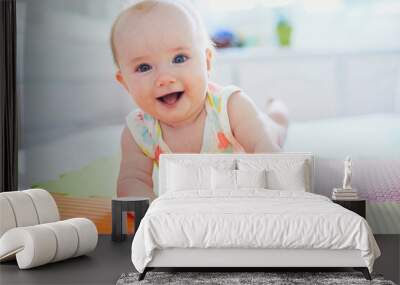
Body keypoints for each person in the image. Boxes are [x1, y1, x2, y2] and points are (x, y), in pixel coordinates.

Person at [110, 0, 289, 200]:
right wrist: (156, 213)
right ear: (124, 82)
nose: (164, 78)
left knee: (275, 129)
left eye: (179, 59)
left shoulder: (231, 106)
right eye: (144, 67)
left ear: (207, 61)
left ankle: (277, 109)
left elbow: (264, 150)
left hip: (258, 131)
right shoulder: (140, 131)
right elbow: (132, 183)